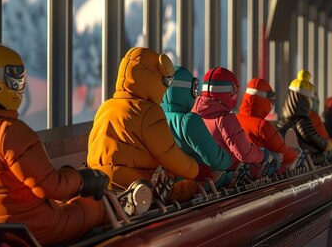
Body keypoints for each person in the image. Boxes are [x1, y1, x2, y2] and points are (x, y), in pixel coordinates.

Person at [0, 43, 108, 244]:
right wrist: (85, 179)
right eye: (14, 78)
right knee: (96, 206)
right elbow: (52, 187)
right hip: (37, 232)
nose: (19, 86)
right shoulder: (9, 132)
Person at [87, 47, 214, 192]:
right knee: (187, 189)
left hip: (99, 182)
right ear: (153, 78)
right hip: (135, 186)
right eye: (165, 81)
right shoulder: (149, 113)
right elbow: (169, 154)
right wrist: (197, 171)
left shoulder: (105, 107)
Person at [193, 67, 279, 178]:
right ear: (231, 91)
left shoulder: (193, 113)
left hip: (199, 174)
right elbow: (245, 154)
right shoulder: (225, 119)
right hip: (222, 178)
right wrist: (264, 155)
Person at [161, 66, 234, 197]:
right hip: (196, 184)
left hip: (167, 184)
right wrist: (231, 157)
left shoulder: (157, 118)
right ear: (187, 91)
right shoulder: (189, 121)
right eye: (195, 89)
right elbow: (216, 160)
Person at [277, 70, 332, 163]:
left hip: (289, 155)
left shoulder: (282, 121)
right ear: (305, 100)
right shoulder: (303, 121)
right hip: (307, 158)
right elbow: (313, 137)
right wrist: (327, 145)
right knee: (330, 153)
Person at [236, 78, 299, 170]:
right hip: (263, 172)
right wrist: (296, 154)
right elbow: (283, 152)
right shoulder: (262, 125)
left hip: (242, 171)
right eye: (271, 100)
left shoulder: (235, 119)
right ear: (264, 100)